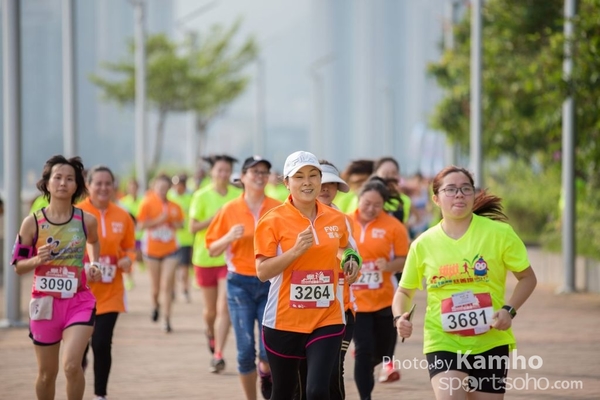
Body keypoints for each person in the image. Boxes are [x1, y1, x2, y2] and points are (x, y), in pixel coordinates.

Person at [392, 166, 537, 399]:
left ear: (473, 194)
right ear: (436, 199)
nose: (459, 194)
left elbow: (527, 278)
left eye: (465, 189)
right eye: (450, 189)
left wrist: (509, 310)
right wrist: (400, 317)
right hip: (443, 340)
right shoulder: (423, 244)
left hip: (491, 340)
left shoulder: (499, 233)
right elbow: (403, 291)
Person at [254, 150, 361, 400]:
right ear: (286, 182)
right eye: (299, 176)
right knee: (284, 392)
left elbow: (346, 247)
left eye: (313, 175)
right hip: (284, 320)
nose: (307, 182)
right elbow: (262, 272)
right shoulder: (272, 220)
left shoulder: (336, 218)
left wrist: (352, 260)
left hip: (327, 317)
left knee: (317, 391)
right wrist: (295, 252)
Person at [12, 155, 102, 400]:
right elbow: (18, 266)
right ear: (47, 183)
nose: (63, 183)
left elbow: (94, 241)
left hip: (78, 302)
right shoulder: (32, 223)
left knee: (72, 366)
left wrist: (94, 263)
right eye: (58, 177)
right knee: (46, 374)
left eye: (70, 179)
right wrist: (37, 260)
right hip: (45, 305)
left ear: (77, 186)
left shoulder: (86, 220)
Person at [205, 155, 281, 399]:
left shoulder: (278, 208)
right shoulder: (229, 209)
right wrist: (228, 237)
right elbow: (211, 249)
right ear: (243, 177)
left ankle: (266, 374)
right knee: (245, 351)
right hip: (240, 284)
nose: (260, 176)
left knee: (268, 352)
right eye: (254, 172)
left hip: (270, 283)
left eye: (264, 172)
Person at [347, 177, 410, 399]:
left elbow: (405, 260)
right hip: (356, 301)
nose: (371, 209)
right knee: (363, 351)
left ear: (384, 204)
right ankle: (365, 396)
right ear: (359, 199)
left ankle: (374, 363)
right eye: (366, 203)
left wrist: (389, 265)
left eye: (377, 205)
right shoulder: (345, 222)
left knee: (382, 352)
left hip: (385, 299)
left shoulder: (394, 227)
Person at [77, 165, 136, 400]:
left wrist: (127, 259)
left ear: (114, 186)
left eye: (108, 183)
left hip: (111, 291)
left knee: (101, 343)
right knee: (79, 346)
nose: (103, 188)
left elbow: (130, 248)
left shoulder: (123, 215)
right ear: (88, 185)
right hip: (80, 292)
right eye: (98, 183)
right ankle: (79, 366)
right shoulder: (77, 213)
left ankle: (100, 394)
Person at [189, 154, 242, 371]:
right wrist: (216, 218)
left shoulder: (238, 195)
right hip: (205, 257)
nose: (223, 174)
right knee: (210, 311)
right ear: (212, 172)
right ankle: (210, 331)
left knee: (224, 307)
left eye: (227, 170)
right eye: (219, 170)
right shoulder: (201, 196)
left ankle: (218, 354)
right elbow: (192, 227)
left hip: (229, 259)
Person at [137, 174, 184, 333]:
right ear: (154, 187)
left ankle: (167, 319)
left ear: (169, 188)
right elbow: (141, 225)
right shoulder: (147, 203)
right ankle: (155, 304)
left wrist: (173, 222)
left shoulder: (174, 206)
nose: (163, 190)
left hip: (170, 249)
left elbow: (181, 224)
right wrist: (159, 220)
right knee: (156, 288)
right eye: (160, 187)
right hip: (152, 250)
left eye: (165, 188)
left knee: (167, 285)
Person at [168, 173, 195, 302]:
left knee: (184, 267)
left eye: (180, 185)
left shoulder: (190, 197)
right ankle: (172, 290)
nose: (178, 187)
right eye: (176, 184)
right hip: (171, 239)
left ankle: (185, 289)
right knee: (172, 267)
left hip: (186, 239)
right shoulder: (169, 196)